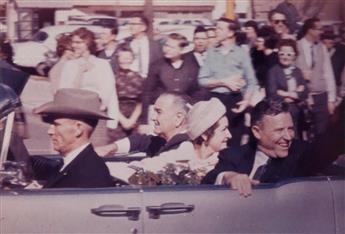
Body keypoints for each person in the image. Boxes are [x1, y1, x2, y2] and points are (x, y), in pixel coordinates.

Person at [202, 99, 343, 196]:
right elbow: (207, 182)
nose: (288, 137)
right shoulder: (233, 155)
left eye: (290, 129)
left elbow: (325, 148)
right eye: (280, 130)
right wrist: (229, 177)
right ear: (257, 131)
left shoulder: (300, 153)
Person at [106, 97, 232, 184]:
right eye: (224, 129)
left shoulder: (230, 160)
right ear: (205, 135)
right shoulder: (178, 157)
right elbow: (139, 171)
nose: (230, 135)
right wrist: (101, 166)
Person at [34, 88, 114, 188]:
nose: (50, 131)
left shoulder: (89, 176)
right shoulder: (77, 162)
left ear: (78, 129)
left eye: (56, 125)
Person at [198, 17, 257, 146]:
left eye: (219, 28)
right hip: (214, 101)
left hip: (235, 102)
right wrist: (224, 82)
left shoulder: (242, 53)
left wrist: (246, 101)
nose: (216, 31)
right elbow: (202, 80)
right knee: (213, 141)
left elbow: (251, 81)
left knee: (233, 142)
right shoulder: (211, 53)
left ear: (230, 33)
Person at [57, 27, 119, 137]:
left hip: (97, 115)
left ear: (88, 43)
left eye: (78, 42)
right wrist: (80, 72)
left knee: (97, 151)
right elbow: (64, 92)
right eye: (73, 42)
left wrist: (112, 121)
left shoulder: (102, 64)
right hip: (74, 116)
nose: (74, 45)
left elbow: (110, 93)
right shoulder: (69, 65)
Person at [95, 92, 190, 158]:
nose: (153, 117)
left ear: (178, 118)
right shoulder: (162, 142)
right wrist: (110, 148)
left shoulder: (185, 148)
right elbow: (140, 141)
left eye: (159, 112)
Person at [142, 33, 202, 124]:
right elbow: (147, 93)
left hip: (182, 114)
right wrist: (144, 121)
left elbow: (196, 91)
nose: (166, 49)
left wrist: (192, 109)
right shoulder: (156, 65)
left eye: (171, 47)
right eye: (166, 45)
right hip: (159, 113)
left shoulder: (192, 67)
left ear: (181, 50)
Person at [295, 18, 336, 137]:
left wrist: (331, 100)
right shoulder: (296, 46)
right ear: (310, 30)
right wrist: (300, 74)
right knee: (302, 134)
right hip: (302, 98)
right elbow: (289, 71)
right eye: (319, 29)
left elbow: (328, 73)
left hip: (321, 97)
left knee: (321, 134)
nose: (321, 32)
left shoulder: (322, 48)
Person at [266, 39, 308, 136]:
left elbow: (305, 92)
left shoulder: (298, 71)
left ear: (294, 56)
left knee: (296, 138)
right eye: (282, 54)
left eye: (289, 54)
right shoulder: (273, 71)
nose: (285, 57)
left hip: (297, 111)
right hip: (280, 111)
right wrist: (295, 94)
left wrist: (287, 94)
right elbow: (272, 94)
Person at [107, 43, 144, 141]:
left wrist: (132, 120)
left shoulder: (139, 78)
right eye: (123, 57)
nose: (126, 59)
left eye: (128, 57)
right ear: (117, 58)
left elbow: (141, 102)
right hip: (117, 118)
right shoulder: (111, 77)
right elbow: (110, 101)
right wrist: (123, 120)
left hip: (134, 120)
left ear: (133, 58)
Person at [126, 14, 164, 78]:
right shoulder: (126, 44)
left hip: (150, 80)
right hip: (131, 81)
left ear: (143, 27)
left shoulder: (156, 46)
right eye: (130, 24)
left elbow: (161, 65)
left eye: (134, 24)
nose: (130, 26)